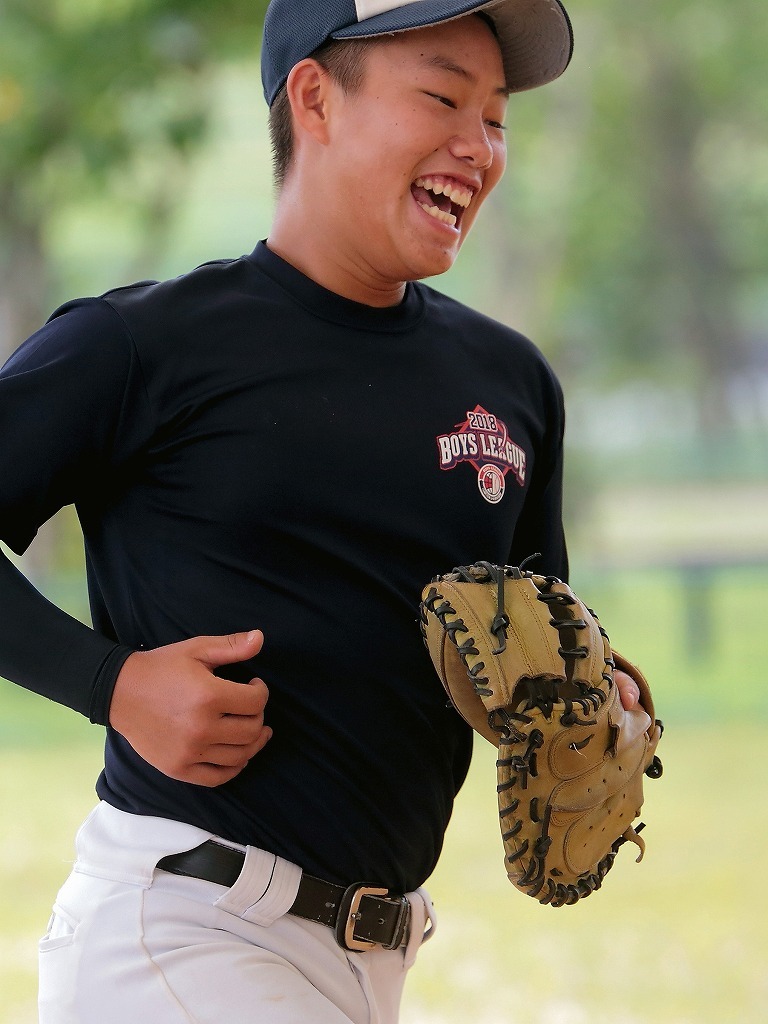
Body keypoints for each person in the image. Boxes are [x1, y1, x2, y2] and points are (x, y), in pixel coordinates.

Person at [0, 2, 641, 1021]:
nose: (478, 146)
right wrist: (110, 680)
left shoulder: (509, 383)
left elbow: (541, 636)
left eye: (498, 117)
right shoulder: (146, 346)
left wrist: (597, 712)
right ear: (314, 98)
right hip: (183, 930)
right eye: (441, 96)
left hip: (371, 959)